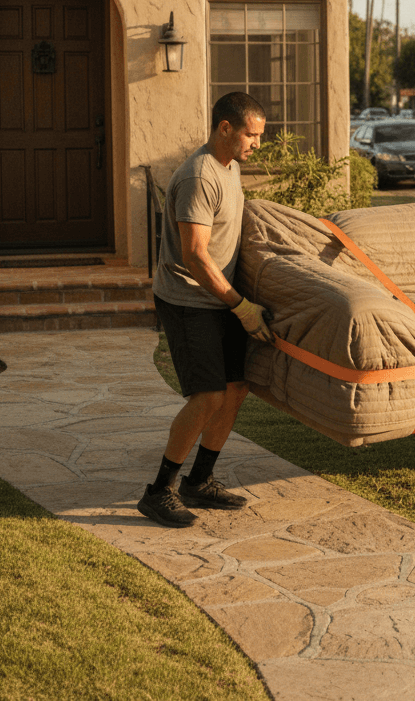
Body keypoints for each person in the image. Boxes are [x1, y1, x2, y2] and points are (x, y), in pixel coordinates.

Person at [138, 92, 276, 527]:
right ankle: (159, 491)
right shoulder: (200, 176)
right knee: (209, 395)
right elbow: (195, 255)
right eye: (251, 135)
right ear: (225, 128)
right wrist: (242, 307)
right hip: (187, 299)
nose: (257, 144)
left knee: (236, 389)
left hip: (219, 299)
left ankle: (200, 480)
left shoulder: (229, 167)